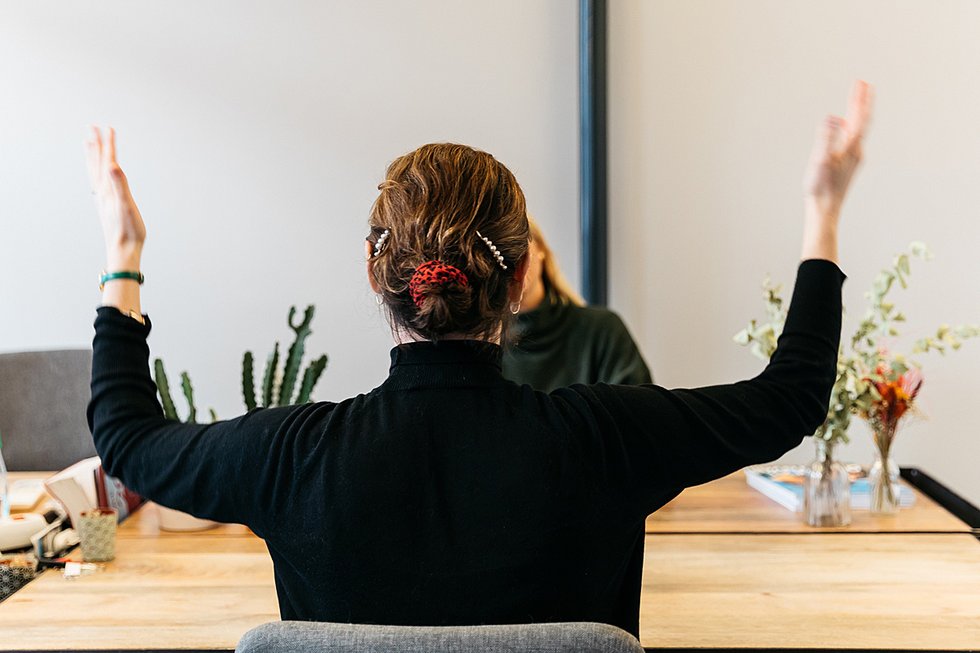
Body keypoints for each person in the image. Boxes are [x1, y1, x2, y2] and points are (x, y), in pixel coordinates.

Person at [87, 81, 870, 636]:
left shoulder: (289, 457)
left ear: (375, 274)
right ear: (522, 279)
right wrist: (822, 211)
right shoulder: (604, 439)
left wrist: (124, 254)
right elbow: (793, 397)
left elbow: (125, 438)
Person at [501, 217, 652, 390]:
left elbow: (637, 412)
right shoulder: (482, 348)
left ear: (540, 248)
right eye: (501, 251)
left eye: (518, 245)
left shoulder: (602, 331)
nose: (511, 261)